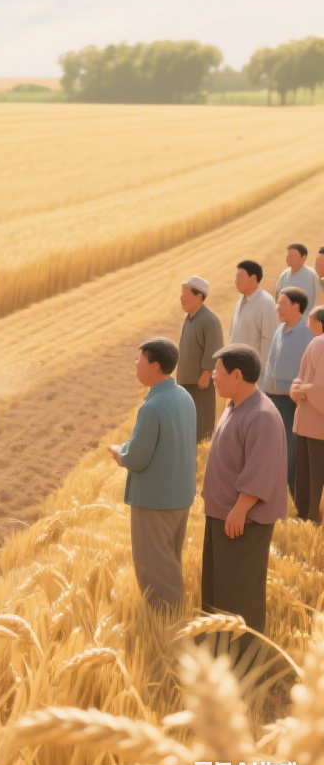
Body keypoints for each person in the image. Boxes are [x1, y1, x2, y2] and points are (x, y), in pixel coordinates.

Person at [202, 344, 289, 658]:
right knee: (219, 588)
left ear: (236, 375)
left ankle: (243, 659)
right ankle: (220, 654)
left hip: (242, 522)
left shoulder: (262, 415)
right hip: (222, 516)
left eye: (219, 370)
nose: (213, 375)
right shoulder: (234, 405)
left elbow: (261, 468)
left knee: (239, 593)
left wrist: (240, 508)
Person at [108, 337, 196, 613]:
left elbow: (137, 458)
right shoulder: (183, 396)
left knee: (154, 569)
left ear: (155, 366)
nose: (136, 363)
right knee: (169, 561)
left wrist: (119, 454)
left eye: (140, 359)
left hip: (155, 500)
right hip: (180, 495)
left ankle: (167, 627)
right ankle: (174, 620)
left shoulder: (152, 407)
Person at [263, 288, 311, 489]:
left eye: (282, 303)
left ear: (296, 306)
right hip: (274, 399)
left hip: (295, 402)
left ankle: (293, 491)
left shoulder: (309, 331)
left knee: (291, 449)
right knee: (273, 448)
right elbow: (270, 365)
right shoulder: (278, 331)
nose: (277, 307)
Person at [178, 276, 224, 441]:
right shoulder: (189, 319)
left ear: (199, 296)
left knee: (201, 427)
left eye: (186, 292)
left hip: (200, 384)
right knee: (187, 426)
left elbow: (214, 349)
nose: (181, 297)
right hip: (186, 383)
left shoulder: (209, 320)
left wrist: (206, 374)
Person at [291, 306, 324, 524]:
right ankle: (311, 518)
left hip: (313, 421)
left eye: (309, 318)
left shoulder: (319, 343)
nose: (306, 322)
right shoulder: (318, 343)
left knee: (309, 474)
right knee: (312, 475)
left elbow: (317, 386)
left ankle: (308, 518)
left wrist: (300, 390)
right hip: (313, 420)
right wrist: (299, 388)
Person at [230, 260, 277, 378]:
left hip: (253, 373)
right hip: (236, 369)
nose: (236, 280)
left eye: (240, 276)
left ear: (253, 278)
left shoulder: (265, 302)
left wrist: (261, 373)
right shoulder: (239, 301)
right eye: (236, 276)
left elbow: (269, 340)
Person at [276, 243, 318, 315]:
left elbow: (313, 302)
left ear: (303, 258)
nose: (288, 258)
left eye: (293, 256)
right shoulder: (285, 273)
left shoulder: (311, 275)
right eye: (288, 255)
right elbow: (277, 295)